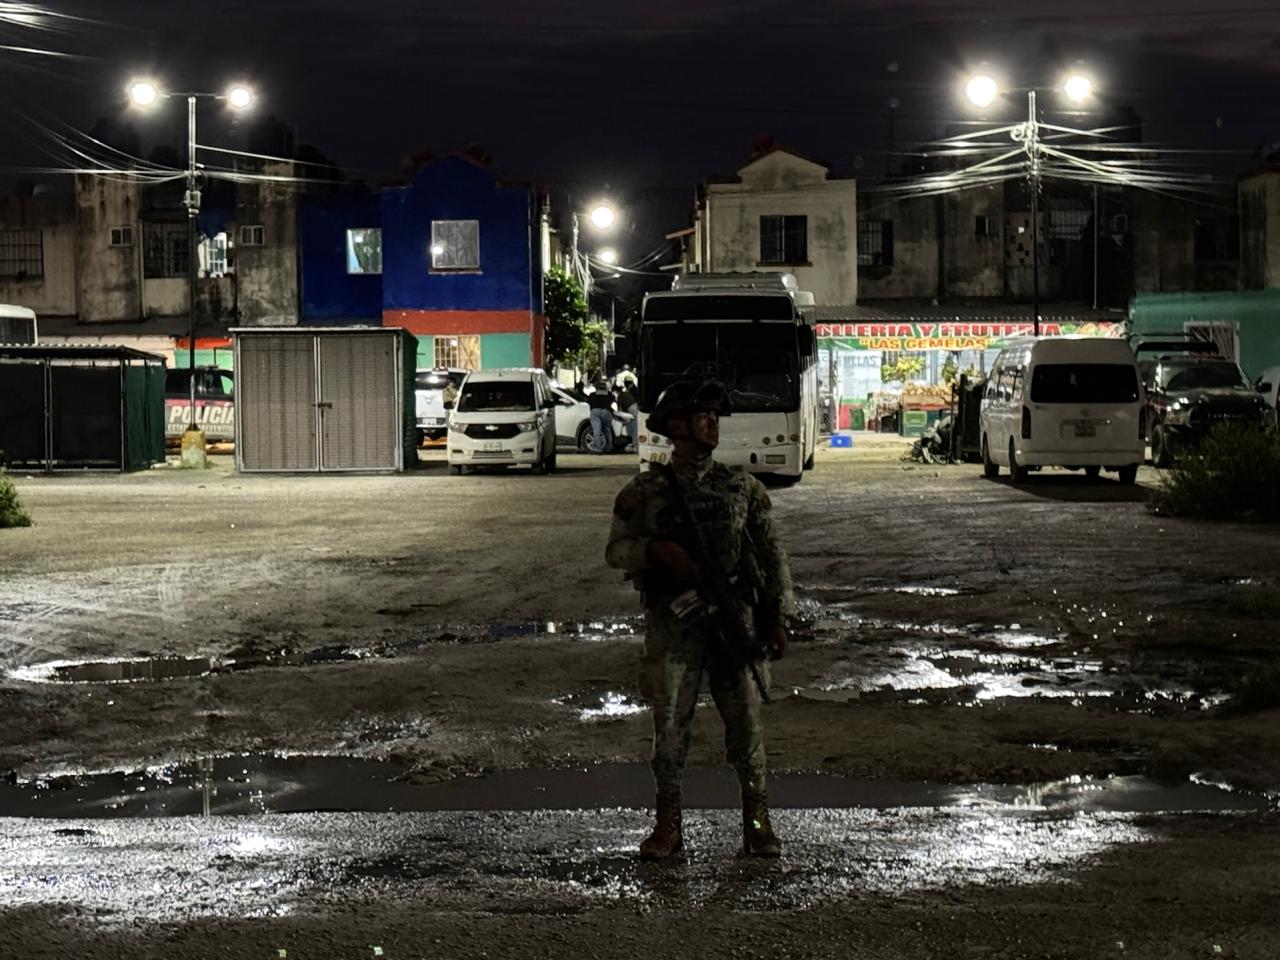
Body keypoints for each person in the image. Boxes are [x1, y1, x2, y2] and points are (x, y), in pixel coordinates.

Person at [605, 380, 794, 860]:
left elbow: (771, 558)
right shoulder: (644, 491)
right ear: (676, 426)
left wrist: (777, 618)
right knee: (668, 732)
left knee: (747, 728)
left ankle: (757, 826)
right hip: (674, 627)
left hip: (734, 624)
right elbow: (616, 550)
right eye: (702, 414)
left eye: (715, 414)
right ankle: (667, 828)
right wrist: (656, 551)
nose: (713, 421)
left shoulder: (741, 487)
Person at [587, 380, 616, 453]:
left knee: (597, 430)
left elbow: (589, 402)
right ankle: (609, 447)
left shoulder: (592, 394)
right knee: (607, 429)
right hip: (606, 412)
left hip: (595, 412)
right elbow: (613, 402)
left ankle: (599, 448)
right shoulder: (609, 394)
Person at [616, 381, 639, 451]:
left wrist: (622, 419)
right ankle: (634, 444)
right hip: (635, 407)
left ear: (616, 391)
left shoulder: (619, 396)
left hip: (632, 409)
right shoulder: (625, 393)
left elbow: (620, 409)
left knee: (633, 427)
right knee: (633, 427)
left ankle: (635, 445)